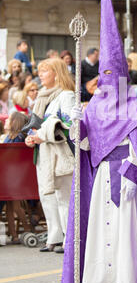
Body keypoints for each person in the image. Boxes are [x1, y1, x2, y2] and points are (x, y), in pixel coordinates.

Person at [60, 0, 137, 283]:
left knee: (122, 230)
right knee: (100, 229)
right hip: (101, 174)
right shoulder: (95, 104)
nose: (105, 82)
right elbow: (84, 145)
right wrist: (77, 124)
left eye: (111, 76)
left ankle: (125, 280)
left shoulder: (135, 103)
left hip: (126, 172)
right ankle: (98, 279)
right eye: (101, 76)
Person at [25, 58, 75, 254]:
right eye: (40, 71)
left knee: (64, 198)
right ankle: (54, 237)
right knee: (48, 197)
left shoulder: (66, 95)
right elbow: (36, 125)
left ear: (56, 73)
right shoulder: (42, 98)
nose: (40, 75)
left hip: (59, 154)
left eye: (45, 71)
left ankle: (68, 238)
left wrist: (42, 135)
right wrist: (31, 137)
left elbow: (70, 126)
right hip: (44, 153)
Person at [3, 111, 32, 244]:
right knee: (11, 206)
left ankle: (26, 230)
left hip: (13, 176)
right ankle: (15, 234)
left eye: (9, 119)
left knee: (14, 206)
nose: (5, 121)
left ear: (15, 122)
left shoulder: (16, 137)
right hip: (12, 176)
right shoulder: (14, 136)